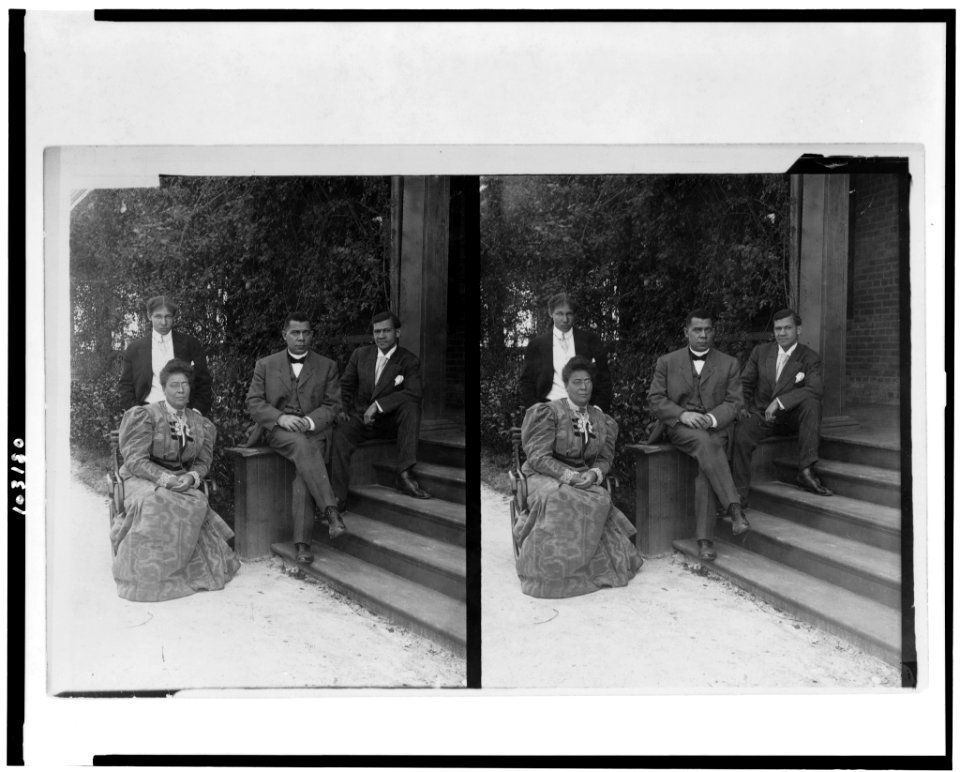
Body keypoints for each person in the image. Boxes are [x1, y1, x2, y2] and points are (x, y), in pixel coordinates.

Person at [110, 359, 240, 601]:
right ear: (164, 388)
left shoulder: (200, 424)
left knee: (196, 500)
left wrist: (192, 477)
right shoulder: (146, 415)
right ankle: (150, 573)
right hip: (142, 476)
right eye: (174, 385)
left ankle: (179, 568)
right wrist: (164, 478)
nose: (181, 390)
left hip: (180, 479)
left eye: (185, 384)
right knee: (153, 501)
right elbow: (135, 460)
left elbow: (202, 463)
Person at [513, 355, 642, 598]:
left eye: (588, 382)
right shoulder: (549, 412)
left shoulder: (601, 419)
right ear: (566, 385)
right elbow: (538, 457)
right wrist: (569, 475)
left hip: (583, 477)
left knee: (601, 497)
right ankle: (553, 570)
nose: (583, 387)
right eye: (576, 382)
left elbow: (604, 459)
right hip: (544, 474)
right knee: (557, 496)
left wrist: (594, 474)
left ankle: (585, 566)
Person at [647, 309, 748, 561]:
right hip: (680, 427)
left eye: (708, 330)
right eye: (697, 330)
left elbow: (735, 402)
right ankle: (735, 508)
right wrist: (682, 415)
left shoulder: (729, 363)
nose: (703, 335)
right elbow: (656, 399)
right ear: (686, 332)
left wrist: (712, 418)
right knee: (706, 442)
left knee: (707, 461)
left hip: (716, 427)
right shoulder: (667, 362)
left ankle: (704, 541)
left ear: (714, 332)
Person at [245, 311, 345, 565]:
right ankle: (331, 511)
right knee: (302, 445)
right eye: (295, 333)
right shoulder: (265, 365)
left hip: (315, 431)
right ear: (285, 335)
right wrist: (280, 418)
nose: (301, 338)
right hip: (279, 432)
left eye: (306, 333)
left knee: (304, 469)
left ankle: (302, 545)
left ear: (311, 335)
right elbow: (254, 402)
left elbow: (333, 405)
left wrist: (310, 421)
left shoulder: (327, 366)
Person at [330, 311, 430, 504]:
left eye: (386, 331)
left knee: (411, 406)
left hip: (390, 423)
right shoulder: (360, 355)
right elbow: (345, 387)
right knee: (340, 433)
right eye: (377, 331)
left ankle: (404, 474)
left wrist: (378, 405)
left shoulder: (408, 360)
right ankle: (337, 497)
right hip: (360, 419)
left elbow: (415, 392)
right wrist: (342, 409)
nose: (381, 336)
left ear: (397, 333)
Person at [731, 308, 832, 499]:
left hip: (791, 419)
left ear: (798, 330)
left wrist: (779, 401)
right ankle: (738, 496)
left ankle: (806, 470)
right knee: (742, 432)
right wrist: (742, 407)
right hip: (761, 416)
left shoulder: (809, 357)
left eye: (787, 328)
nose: (782, 333)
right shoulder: (760, 352)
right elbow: (744, 384)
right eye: (778, 329)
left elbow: (816, 389)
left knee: (811, 403)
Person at [517, 292, 613, 414]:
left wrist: (598, 409)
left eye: (569, 314)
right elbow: (526, 381)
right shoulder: (536, 345)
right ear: (550, 313)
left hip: (585, 409)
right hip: (548, 410)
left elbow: (604, 378)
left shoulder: (590, 340)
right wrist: (535, 407)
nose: (565, 319)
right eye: (559, 314)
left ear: (574, 315)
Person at [118, 295, 212, 415]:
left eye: (168, 316)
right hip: (146, 413)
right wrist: (136, 412)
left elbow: (204, 381)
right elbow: (125, 386)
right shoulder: (134, 349)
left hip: (184, 413)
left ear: (173, 317)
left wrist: (196, 412)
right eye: (158, 316)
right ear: (149, 316)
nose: (163, 322)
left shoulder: (190, 344)